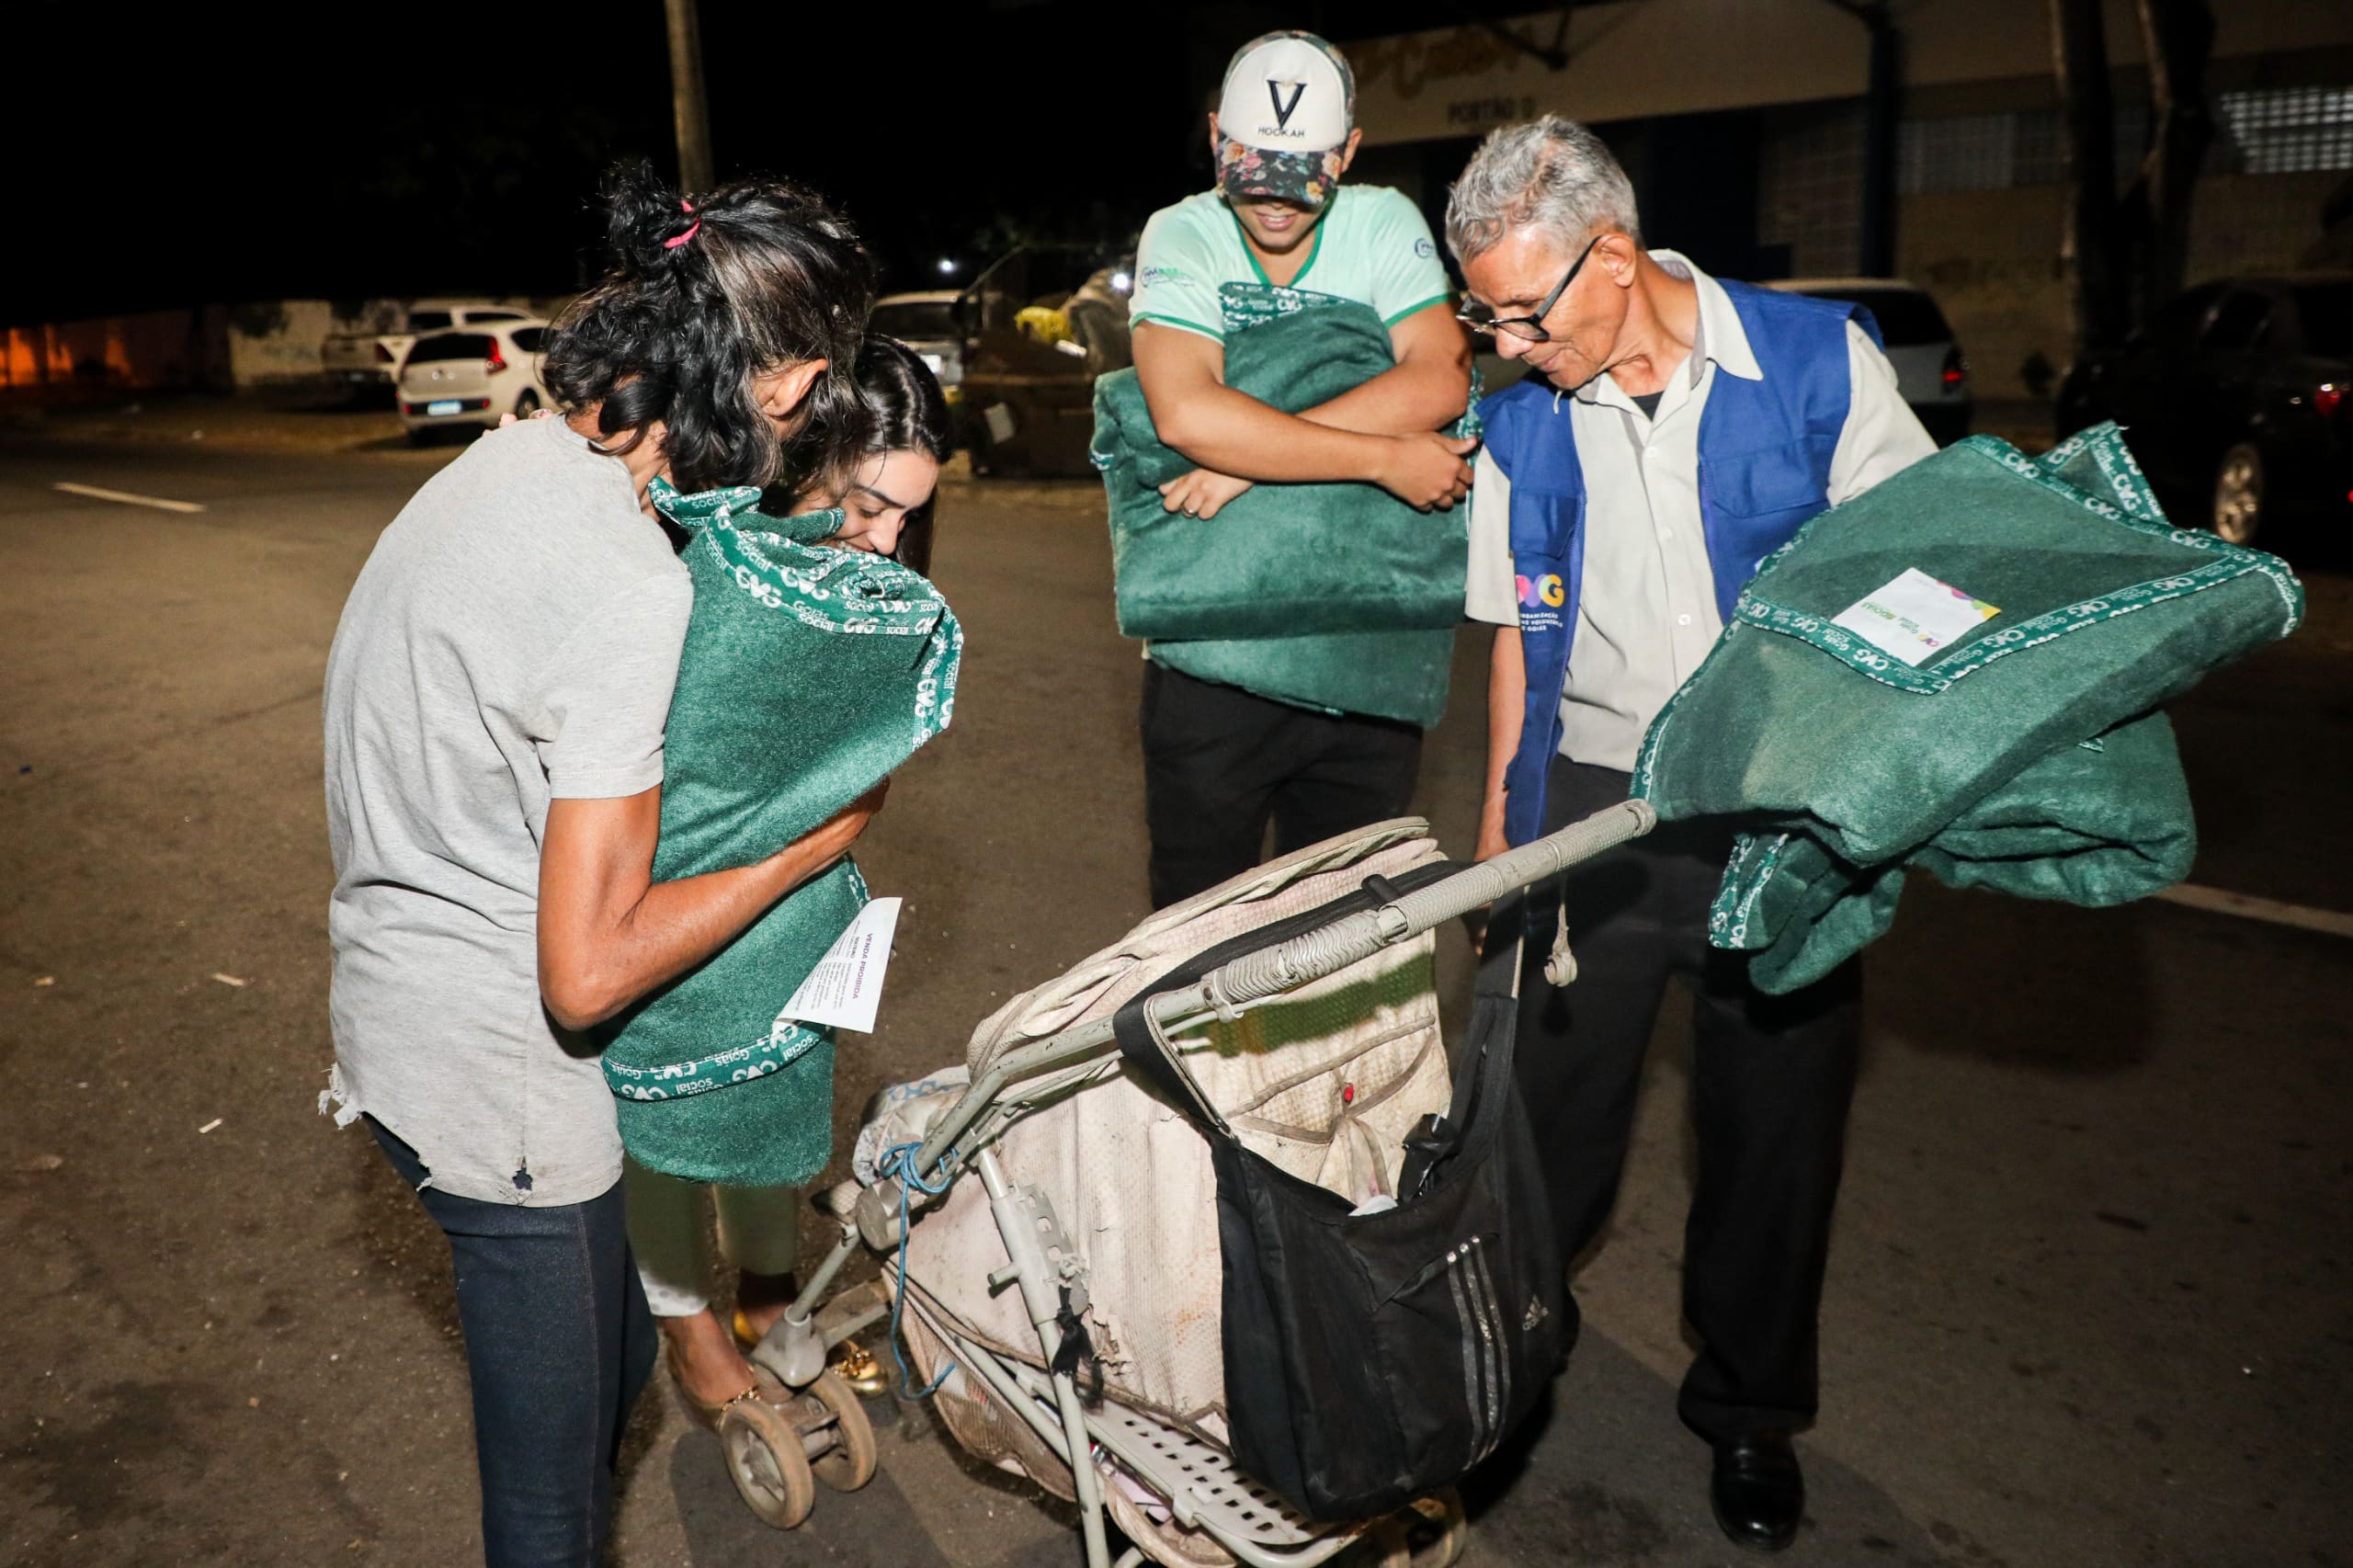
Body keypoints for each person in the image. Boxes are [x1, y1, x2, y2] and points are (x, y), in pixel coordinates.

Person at [320, 162, 877, 1566]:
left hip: (401, 1000)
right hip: (499, 1079)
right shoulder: (626, 583)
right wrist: (813, 839)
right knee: (554, 1506)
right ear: (789, 379)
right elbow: (586, 973)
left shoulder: (516, 456)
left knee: (616, 1368)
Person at [1445, 118, 1935, 1553]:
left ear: (1616, 256)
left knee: (1773, 1132)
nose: (1507, 341)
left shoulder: (1815, 365)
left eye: (1523, 310)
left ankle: (1751, 1414)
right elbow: (1514, 648)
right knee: (1539, 1129)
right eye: (1485, 313)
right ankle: (1509, 1374)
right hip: (1594, 803)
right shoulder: (1526, 414)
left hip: (1782, 808)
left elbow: (1917, 575)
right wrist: (1496, 845)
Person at [621, 335, 951, 1421]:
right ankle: (688, 1326)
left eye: (908, 514)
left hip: (781, 911)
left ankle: (766, 1287)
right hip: (646, 895)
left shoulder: (862, 590)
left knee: (771, 1099)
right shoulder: (684, 551)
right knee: (664, 1126)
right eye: (865, 501)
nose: (886, 538)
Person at [1126, 29, 1476, 908]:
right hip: (1216, 656)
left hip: (1367, 656)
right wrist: (1382, 456)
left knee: (1344, 943)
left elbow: (1439, 376)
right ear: (1215, 136)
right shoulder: (1183, 231)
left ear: (1349, 152)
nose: (1277, 207)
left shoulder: (1382, 218)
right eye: (1254, 174)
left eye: (1305, 177)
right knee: (1192, 943)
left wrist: (1247, 461)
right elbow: (1186, 414)